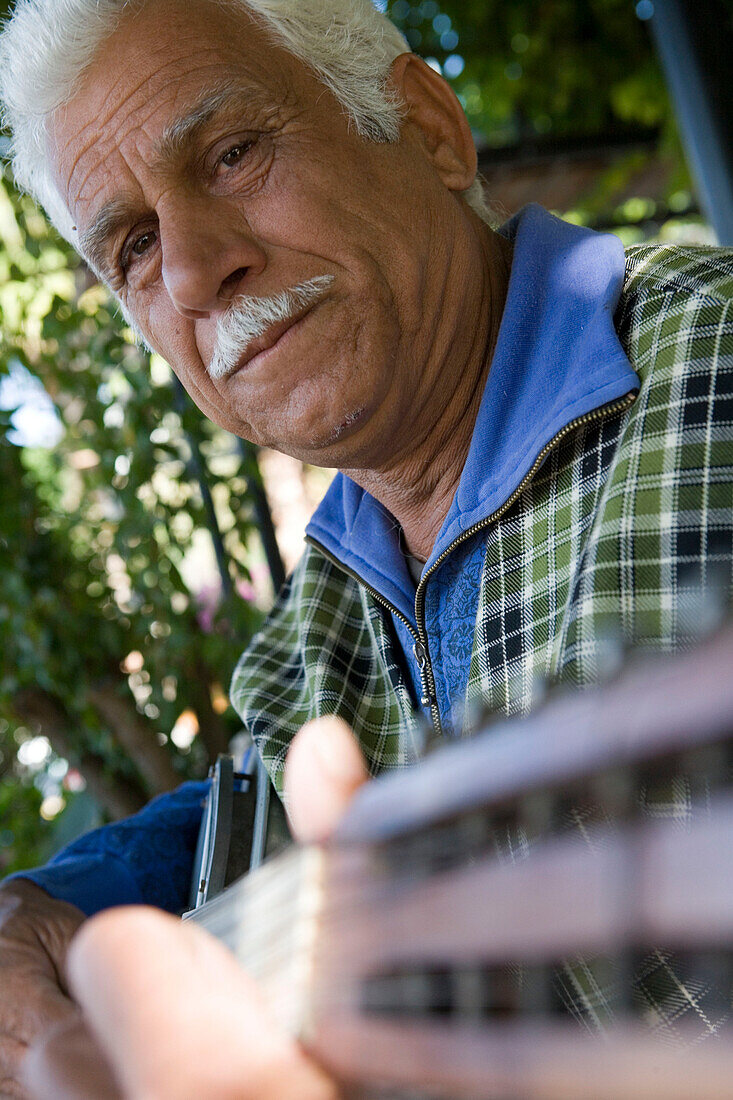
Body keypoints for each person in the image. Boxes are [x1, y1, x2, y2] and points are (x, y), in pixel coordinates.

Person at [0, 0, 731, 1095]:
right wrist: (52, 906)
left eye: (232, 153)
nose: (195, 271)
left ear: (428, 126)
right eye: (136, 247)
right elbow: (259, 812)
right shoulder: (316, 623)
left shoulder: (711, 373)